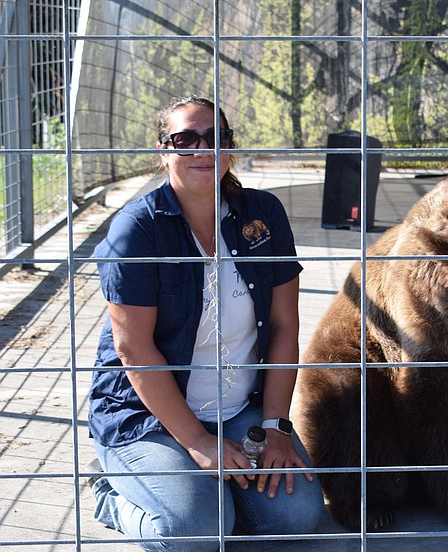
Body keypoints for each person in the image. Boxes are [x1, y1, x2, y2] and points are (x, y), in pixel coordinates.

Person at [87, 96, 324, 551]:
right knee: (195, 533)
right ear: (163, 150)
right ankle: (115, 498)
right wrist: (197, 441)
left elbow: (283, 326)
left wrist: (275, 426)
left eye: (215, 138)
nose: (202, 150)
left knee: (297, 517)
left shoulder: (262, 213)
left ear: (230, 148)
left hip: (237, 411)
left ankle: (205, 493)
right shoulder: (136, 228)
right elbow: (133, 348)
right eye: (185, 139)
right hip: (149, 416)